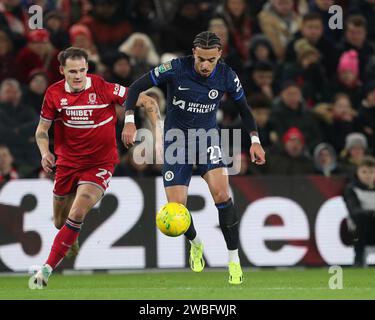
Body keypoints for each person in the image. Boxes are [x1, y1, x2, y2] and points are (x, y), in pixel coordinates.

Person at [122, 31, 266, 285]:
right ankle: (196, 242)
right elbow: (135, 88)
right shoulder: (175, 68)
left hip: (208, 140)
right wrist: (130, 121)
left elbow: (245, 110)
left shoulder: (227, 76)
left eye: (211, 59)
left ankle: (233, 260)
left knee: (222, 195)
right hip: (176, 142)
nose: (205, 65)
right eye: (201, 58)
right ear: (194, 53)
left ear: (219, 55)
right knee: (176, 209)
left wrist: (255, 141)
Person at [30, 47, 161, 288]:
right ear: (62, 71)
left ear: (87, 69)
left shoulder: (102, 87)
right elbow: (41, 131)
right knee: (61, 222)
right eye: (72, 71)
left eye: (82, 70)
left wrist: (146, 131)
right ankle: (71, 236)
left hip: (99, 163)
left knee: (78, 212)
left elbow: (146, 100)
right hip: (67, 164)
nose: (78, 76)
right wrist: (45, 152)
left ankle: (46, 270)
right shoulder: (53, 94)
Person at [343, 156, 375, 267]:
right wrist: (371, 214)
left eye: (371, 172)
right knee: (361, 221)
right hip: (356, 233)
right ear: (357, 172)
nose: (368, 175)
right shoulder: (351, 189)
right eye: (364, 172)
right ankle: (359, 259)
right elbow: (354, 211)